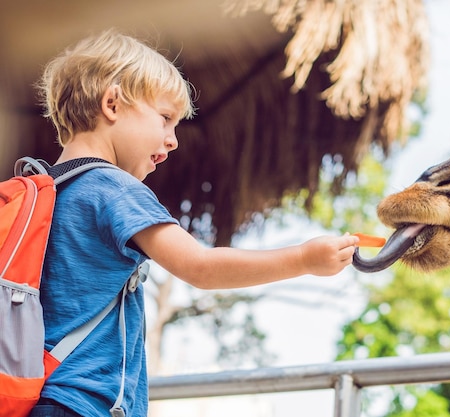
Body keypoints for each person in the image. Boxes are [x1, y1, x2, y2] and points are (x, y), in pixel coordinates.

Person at [29, 29, 358, 417]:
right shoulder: (113, 188)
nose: (173, 140)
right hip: (84, 405)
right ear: (112, 104)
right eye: (165, 118)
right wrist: (303, 258)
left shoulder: (46, 194)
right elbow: (200, 268)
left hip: (39, 398)